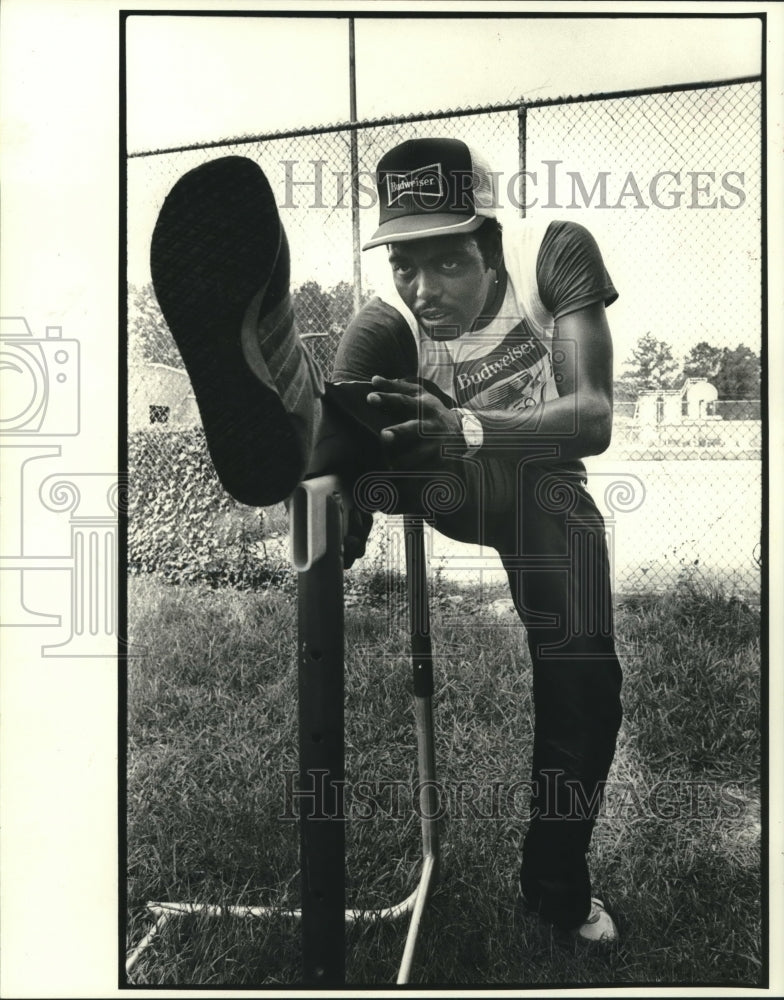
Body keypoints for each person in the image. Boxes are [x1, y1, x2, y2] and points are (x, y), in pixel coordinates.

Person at [150, 137, 623, 946]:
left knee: (586, 683)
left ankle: (554, 885)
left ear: (491, 244)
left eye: (445, 264)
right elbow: (357, 435)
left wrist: (472, 423)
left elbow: (593, 415)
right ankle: (280, 366)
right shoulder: (391, 317)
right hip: (437, 474)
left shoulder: (555, 253)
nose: (422, 287)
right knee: (336, 443)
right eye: (404, 263)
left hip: (542, 484)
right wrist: (337, 487)